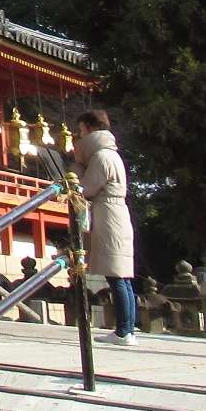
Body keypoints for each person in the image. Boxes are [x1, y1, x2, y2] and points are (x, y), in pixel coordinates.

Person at [71, 110, 137, 344]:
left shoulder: (101, 157)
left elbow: (87, 188)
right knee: (123, 277)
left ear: (90, 128)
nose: (79, 135)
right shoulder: (111, 154)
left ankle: (123, 331)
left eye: (81, 130)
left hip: (108, 214)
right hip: (116, 213)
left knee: (116, 276)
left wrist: (75, 174)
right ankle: (128, 329)